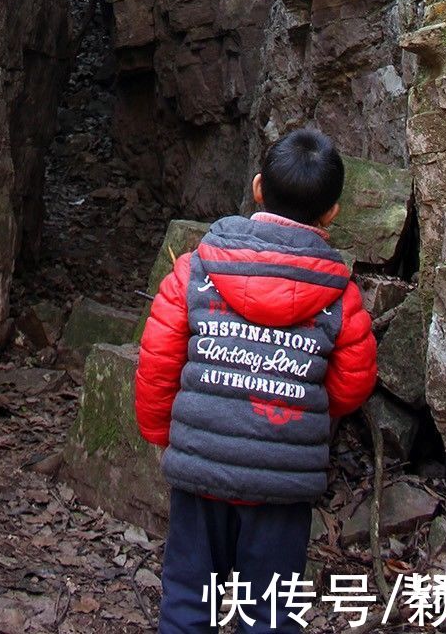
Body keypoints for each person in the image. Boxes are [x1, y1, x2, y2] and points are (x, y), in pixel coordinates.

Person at [135, 128, 378, 633]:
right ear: (332, 212)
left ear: (258, 188)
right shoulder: (340, 294)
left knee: (187, 597)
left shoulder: (195, 269)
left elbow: (157, 361)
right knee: (269, 610)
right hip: (282, 480)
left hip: (200, 469)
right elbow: (353, 385)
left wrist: (163, 437)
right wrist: (298, 400)